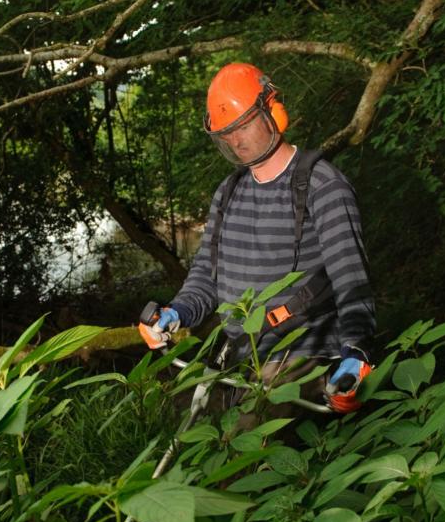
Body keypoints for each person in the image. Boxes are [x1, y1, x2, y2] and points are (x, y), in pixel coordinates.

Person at [139, 62, 376, 414]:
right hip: (239, 356)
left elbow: (352, 281)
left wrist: (357, 352)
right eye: (227, 133)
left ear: (273, 112)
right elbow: (206, 276)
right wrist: (177, 312)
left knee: (247, 460)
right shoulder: (229, 191)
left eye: (244, 125)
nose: (236, 140)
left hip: (302, 359)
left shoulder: (322, 186)